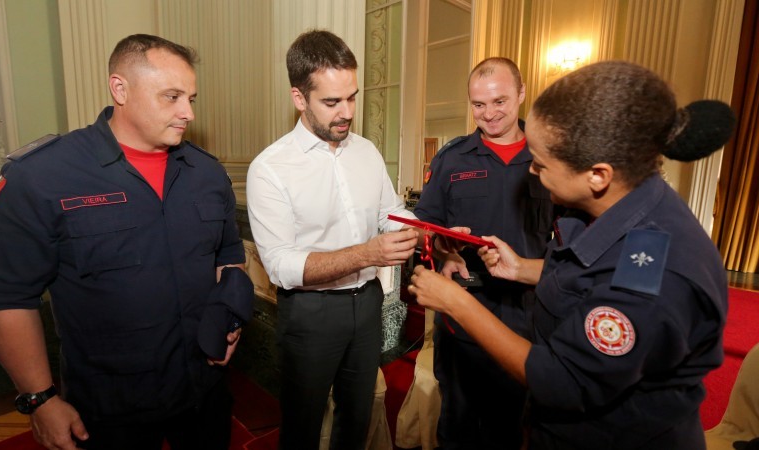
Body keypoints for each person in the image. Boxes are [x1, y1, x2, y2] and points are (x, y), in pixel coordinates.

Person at [408, 60, 735, 449]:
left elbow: (563, 381)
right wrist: (524, 269)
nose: (533, 174)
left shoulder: (649, 269)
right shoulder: (614, 213)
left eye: (542, 165)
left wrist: (458, 304)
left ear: (597, 175)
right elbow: (580, 278)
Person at [0, 34, 252, 450]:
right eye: (171, 97)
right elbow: (8, 298)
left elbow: (228, 257)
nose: (187, 112)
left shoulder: (206, 174)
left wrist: (230, 321)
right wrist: (41, 400)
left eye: (191, 97)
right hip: (109, 409)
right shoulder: (42, 177)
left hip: (203, 391)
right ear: (120, 89)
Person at [246, 29, 419, 450]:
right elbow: (281, 266)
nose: (347, 113)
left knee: (357, 417)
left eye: (352, 97)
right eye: (331, 102)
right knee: (302, 426)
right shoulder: (270, 168)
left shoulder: (367, 151)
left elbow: (390, 213)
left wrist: (421, 229)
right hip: (309, 313)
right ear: (299, 98)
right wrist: (367, 252)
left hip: (367, 304)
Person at [413, 57, 557, 449]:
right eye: (479, 105)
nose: (489, 114)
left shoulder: (551, 159)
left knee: (510, 430)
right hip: (462, 312)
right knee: (456, 425)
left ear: (522, 94)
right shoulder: (452, 157)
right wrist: (444, 250)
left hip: (528, 317)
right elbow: (423, 228)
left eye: (500, 102)